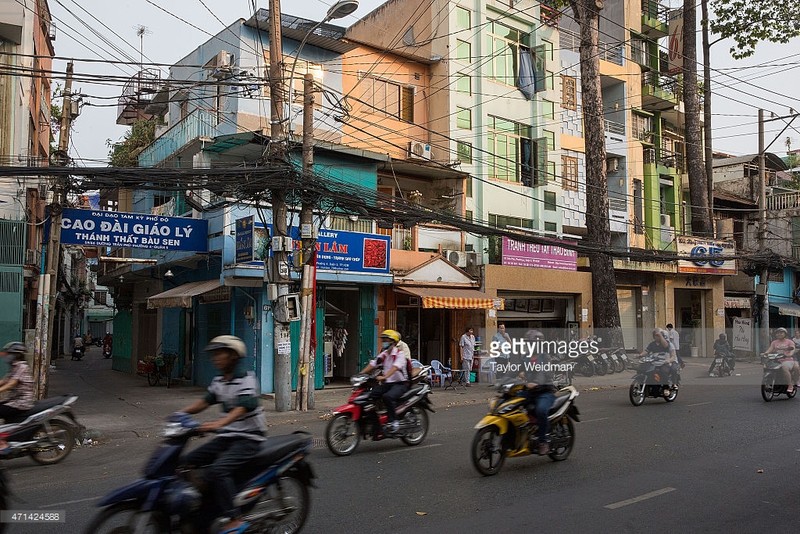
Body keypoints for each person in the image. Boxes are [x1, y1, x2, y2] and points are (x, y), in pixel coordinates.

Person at [177, 335, 267, 534]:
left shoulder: (246, 378)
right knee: (185, 462)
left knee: (218, 470)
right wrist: (180, 414)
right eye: (214, 354)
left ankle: (235, 519)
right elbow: (205, 401)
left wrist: (218, 423)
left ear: (233, 356)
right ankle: (205, 504)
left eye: (220, 354)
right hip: (228, 436)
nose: (215, 358)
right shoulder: (219, 380)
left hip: (250, 437)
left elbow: (244, 406)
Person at [359, 330, 409, 434]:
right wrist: (360, 374)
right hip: (388, 383)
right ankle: (376, 422)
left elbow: (395, 367)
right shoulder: (384, 354)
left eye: (386, 340)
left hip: (400, 383)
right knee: (369, 396)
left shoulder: (399, 354)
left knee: (388, 397)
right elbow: (373, 364)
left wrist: (384, 376)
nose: (384, 342)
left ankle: (394, 421)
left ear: (393, 342)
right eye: (383, 340)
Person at [515, 330, 556, 455]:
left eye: (532, 343)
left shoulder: (545, 357)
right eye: (528, 343)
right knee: (511, 402)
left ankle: (543, 441)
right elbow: (516, 369)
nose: (529, 345)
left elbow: (544, 373)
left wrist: (536, 382)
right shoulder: (525, 357)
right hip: (530, 391)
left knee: (541, 410)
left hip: (545, 391)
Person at [0, 342, 34, 423]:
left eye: (9, 353)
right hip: (13, 400)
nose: (7, 356)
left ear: (16, 355)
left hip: (21, 403)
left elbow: (11, 384)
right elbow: (4, 381)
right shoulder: (14, 367)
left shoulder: (22, 366)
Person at [763, 327, 800, 393]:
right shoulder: (774, 342)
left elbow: (792, 349)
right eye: (778, 333)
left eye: (781, 333)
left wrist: (789, 354)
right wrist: (765, 353)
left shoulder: (790, 342)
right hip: (776, 360)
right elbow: (770, 349)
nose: (779, 334)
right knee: (766, 366)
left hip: (787, 359)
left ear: (785, 334)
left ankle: (790, 385)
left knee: (785, 367)